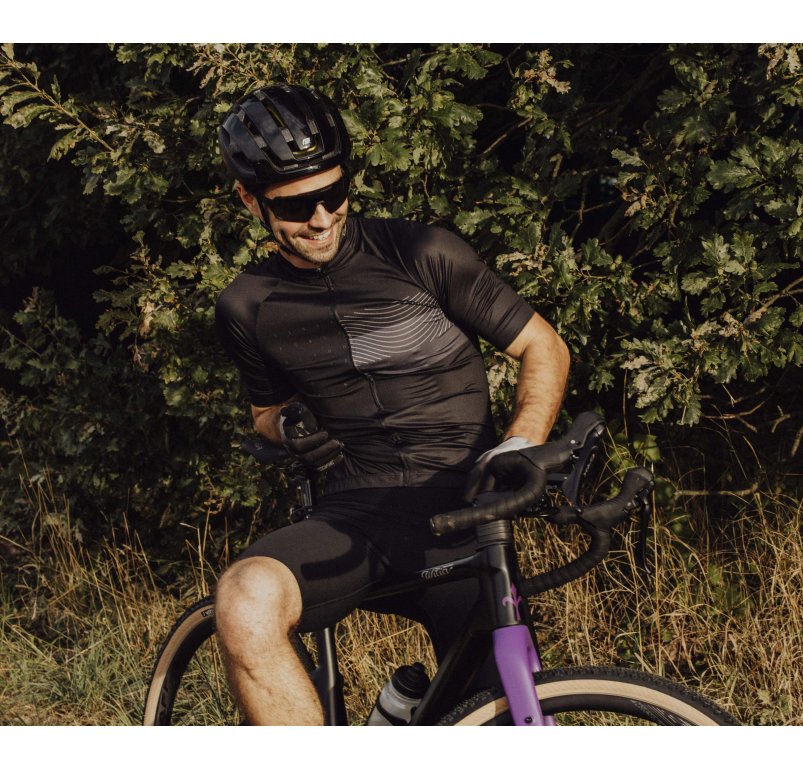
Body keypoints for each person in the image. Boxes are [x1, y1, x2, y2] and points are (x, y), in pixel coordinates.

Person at [212, 83, 570, 725]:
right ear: (250, 200)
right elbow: (264, 412)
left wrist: (520, 444)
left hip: (465, 509)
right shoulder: (247, 304)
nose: (321, 218)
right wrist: (287, 425)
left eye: (334, 194)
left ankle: (399, 717)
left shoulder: (421, 253)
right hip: (355, 519)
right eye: (295, 205)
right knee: (244, 598)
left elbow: (543, 346)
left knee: (498, 722)